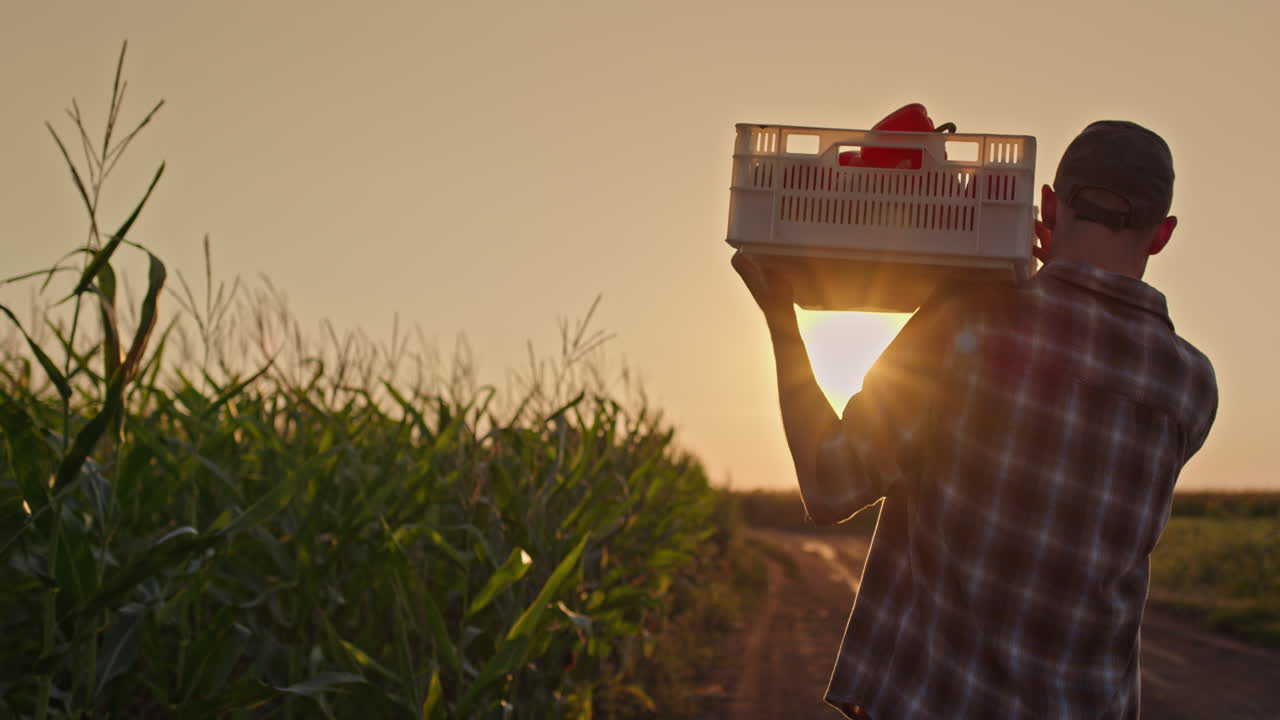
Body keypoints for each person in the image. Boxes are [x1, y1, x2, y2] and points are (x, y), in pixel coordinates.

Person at [731, 120, 1217, 719]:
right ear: (1161, 235)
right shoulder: (1190, 385)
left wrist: (782, 317)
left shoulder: (971, 321)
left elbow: (829, 485)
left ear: (1047, 206)